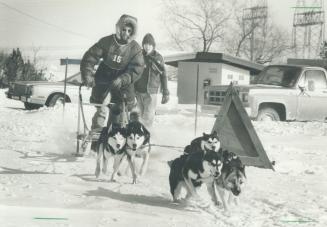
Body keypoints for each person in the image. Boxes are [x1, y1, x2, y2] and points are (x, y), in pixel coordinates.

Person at [80, 14, 144, 150]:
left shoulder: (135, 48)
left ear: (133, 33)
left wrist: (123, 79)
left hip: (123, 84)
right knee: (101, 110)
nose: (126, 33)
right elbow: (90, 57)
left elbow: (137, 69)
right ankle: (95, 143)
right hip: (104, 79)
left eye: (129, 31)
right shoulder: (107, 42)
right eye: (124, 29)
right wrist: (88, 75)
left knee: (119, 112)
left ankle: (114, 143)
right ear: (119, 28)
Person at [134, 33, 169, 129]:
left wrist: (165, 92)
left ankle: (146, 138)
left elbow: (164, 75)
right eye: (145, 44)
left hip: (151, 93)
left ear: (153, 45)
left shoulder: (158, 58)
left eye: (150, 44)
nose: (147, 47)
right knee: (138, 118)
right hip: (138, 92)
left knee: (148, 118)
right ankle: (138, 140)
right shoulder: (138, 55)